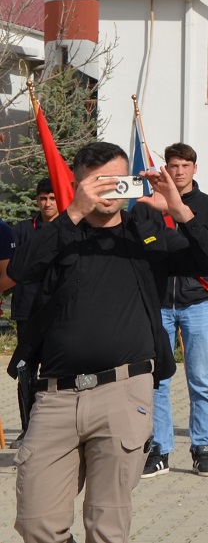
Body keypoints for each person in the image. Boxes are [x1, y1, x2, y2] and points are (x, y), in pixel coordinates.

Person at [9, 141, 208, 543]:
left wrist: (179, 210)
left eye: (117, 180)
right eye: (97, 181)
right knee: (36, 521)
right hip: (56, 396)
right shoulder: (61, 234)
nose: (108, 191)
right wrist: (72, 212)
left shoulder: (147, 235)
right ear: (78, 183)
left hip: (124, 392)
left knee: (107, 528)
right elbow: (20, 269)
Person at [145, 142, 208, 478]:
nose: (179, 170)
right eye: (173, 165)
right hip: (158, 306)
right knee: (158, 381)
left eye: (185, 165)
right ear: (166, 169)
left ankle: (201, 447)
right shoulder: (150, 207)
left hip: (198, 304)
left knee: (199, 380)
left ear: (195, 169)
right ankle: (160, 449)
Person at [8, 178, 62, 445]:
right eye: (43, 198)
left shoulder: (69, 228)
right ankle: (27, 428)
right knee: (25, 371)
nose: (48, 203)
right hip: (27, 311)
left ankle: (54, 429)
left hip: (58, 313)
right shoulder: (21, 230)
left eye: (52, 198)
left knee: (56, 372)